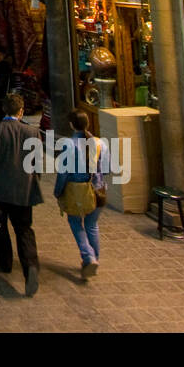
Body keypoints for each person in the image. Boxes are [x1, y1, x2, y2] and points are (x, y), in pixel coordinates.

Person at [0, 93, 43, 294]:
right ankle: (30, 266)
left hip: (1, 189)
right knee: (24, 229)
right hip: (24, 190)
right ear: (21, 111)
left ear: (4, 110)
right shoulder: (33, 133)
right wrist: (34, 182)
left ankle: (5, 261)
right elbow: (37, 164)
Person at [53, 107, 107, 279]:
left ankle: (88, 256)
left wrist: (58, 192)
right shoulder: (100, 143)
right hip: (98, 191)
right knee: (92, 225)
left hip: (76, 191)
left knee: (75, 222)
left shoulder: (69, 145)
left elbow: (63, 173)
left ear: (71, 124)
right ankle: (94, 258)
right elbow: (107, 168)